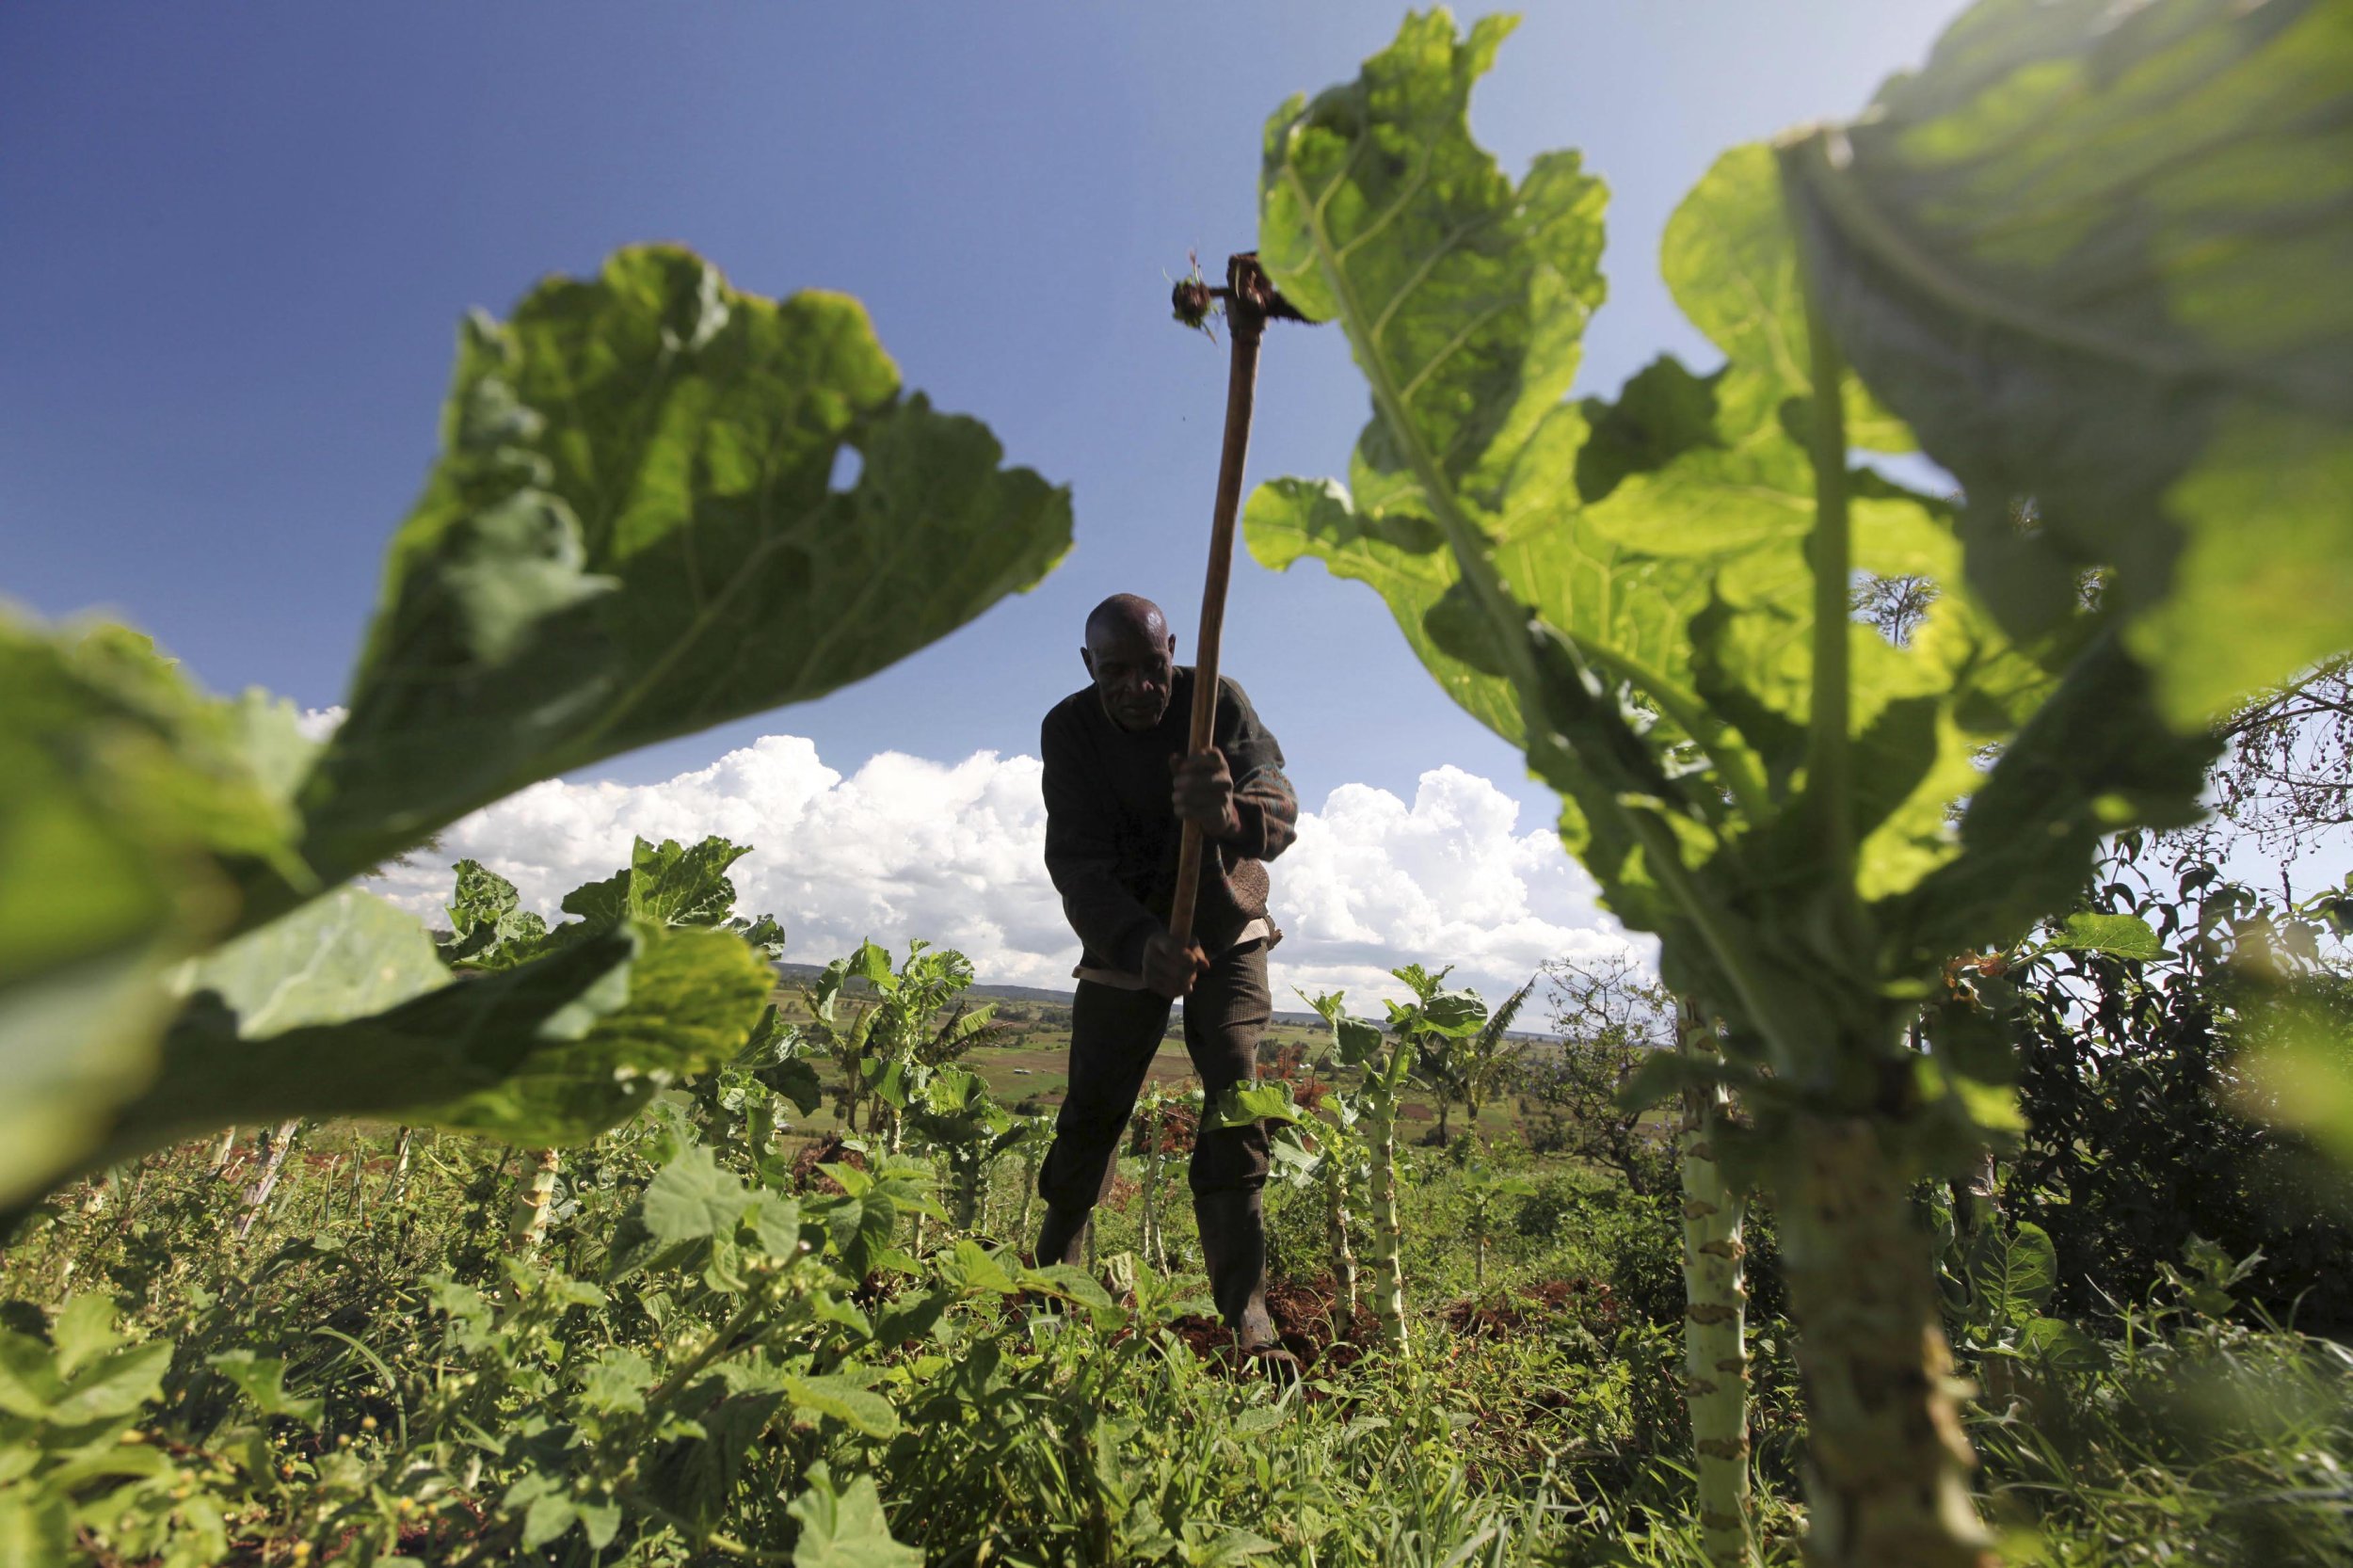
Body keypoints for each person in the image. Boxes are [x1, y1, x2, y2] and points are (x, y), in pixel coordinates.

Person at [1032, 592, 1297, 1354]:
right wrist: (1141, 939)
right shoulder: (1070, 730)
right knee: (1094, 1103)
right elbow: (1076, 865)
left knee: (1238, 1096)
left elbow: (1279, 800)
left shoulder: (1216, 700)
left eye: (1154, 669)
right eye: (1116, 672)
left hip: (1226, 924)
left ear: (1174, 651)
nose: (1140, 689)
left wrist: (1229, 818)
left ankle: (1247, 1313)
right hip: (1127, 939)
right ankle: (1053, 1284)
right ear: (1090, 667)